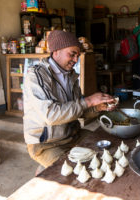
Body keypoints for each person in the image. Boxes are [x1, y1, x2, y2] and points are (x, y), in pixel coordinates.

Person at [23, 30, 117, 174]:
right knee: (74, 171)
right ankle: (45, 170)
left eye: (77, 56)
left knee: (104, 149)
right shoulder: (37, 75)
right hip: (46, 144)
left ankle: (49, 168)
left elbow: (80, 113)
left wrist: (98, 107)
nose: (75, 60)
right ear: (56, 51)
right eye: (72, 54)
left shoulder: (71, 76)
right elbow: (51, 115)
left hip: (72, 135)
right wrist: (89, 101)